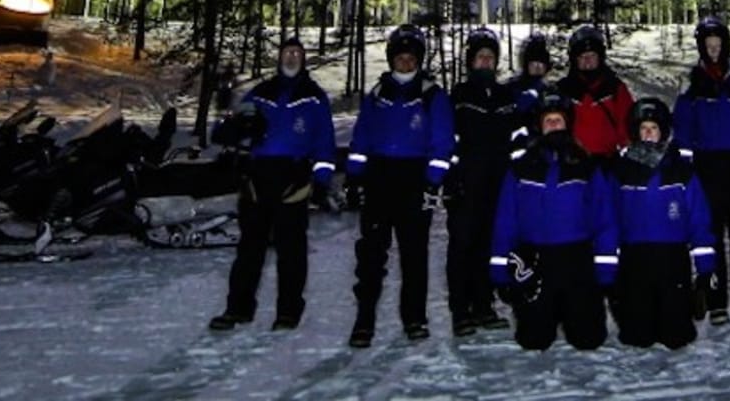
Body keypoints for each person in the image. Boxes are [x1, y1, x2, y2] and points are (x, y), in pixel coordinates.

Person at [209, 38, 336, 332]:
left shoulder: (314, 97)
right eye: (287, 52)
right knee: (250, 249)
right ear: (279, 57)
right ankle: (237, 309)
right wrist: (231, 120)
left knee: (291, 251)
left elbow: (325, 142)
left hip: (294, 179)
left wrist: (322, 179)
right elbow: (225, 131)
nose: (292, 57)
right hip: (258, 177)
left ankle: (288, 312)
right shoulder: (260, 92)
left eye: (297, 53)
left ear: (303, 59)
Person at [344, 24, 455, 347]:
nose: (405, 63)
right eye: (400, 58)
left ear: (418, 60)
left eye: (411, 58)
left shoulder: (432, 95)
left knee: (414, 255)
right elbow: (362, 136)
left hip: (413, 179)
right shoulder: (377, 95)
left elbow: (442, 141)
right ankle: (365, 319)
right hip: (380, 178)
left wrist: (432, 182)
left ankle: (415, 318)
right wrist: (355, 175)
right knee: (371, 255)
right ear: (392, 59)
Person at [490, 93, 619, 351]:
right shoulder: (521, 167)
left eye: (558, 120)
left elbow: (604, 217)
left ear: (567, 124)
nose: (553, 125)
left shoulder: (587, 165)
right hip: (535, 257)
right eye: (548, 121)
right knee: (534, 341)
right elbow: (506, 218)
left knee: (588, 340)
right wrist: (500, 267)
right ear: (540, 126)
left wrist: (605, 267)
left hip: (576, 256)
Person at [672, 14, 730, 323]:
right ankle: (717, 300)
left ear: (725, 44)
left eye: (717, 44)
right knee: (712, 234)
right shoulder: (693, 82)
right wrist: (685, 168)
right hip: (708, 165)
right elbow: (682, 127)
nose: (713, 49)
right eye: (707, 45)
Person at [610, 96, 715, 349]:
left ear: (663, 132)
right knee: (637, 338)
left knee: (676, 337)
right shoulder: (620, 170)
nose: (648, 134)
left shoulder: (681, 170)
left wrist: (704, 270)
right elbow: (608, 217)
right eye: (643, 129)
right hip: (635, 257)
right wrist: (608, 269)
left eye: (653, 129)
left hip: (672, 256)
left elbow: (699, 219)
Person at [446, 27, 521, 336]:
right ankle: (461, 310)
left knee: (489, 245)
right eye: (480, 57)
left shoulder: (506, 96)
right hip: (468, 183)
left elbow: (517, 138)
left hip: (498, 183)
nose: (486, 62)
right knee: (463, 245)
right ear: (470, 61)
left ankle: (484, 304)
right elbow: (448, 140)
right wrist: (452, 178)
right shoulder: (459, 96)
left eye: (490, 57)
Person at [554, 24, 634, 165]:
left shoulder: (615, 88)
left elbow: (627, 128)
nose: (587, 61)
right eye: (582, 57)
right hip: (570, 162)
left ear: (600, 57)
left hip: (607, 162)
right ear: (575, 60)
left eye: (592, 56)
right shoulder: (562, 90)